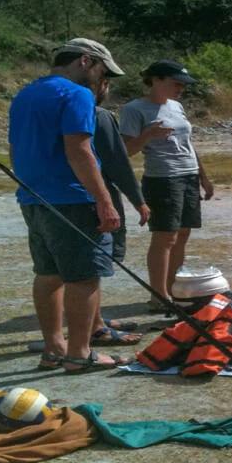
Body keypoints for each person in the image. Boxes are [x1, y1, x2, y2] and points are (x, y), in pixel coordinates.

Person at [9, 38, 130, 372]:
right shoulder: (77, 94)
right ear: (86, 61)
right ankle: (80, 353)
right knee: (84, 277)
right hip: (73, 198)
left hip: (33, 198)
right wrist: (104, 201)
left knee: (48, 275)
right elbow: (79, 149)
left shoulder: (25, 94)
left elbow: (17, 148)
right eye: (103, 70)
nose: (101, 78)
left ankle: (54, 348)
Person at [119, 60, 213, 311]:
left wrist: (203, 176)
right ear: (156, 80)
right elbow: (125, 151)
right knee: (165, 237)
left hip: (189, 175)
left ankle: (173, 290)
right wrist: (147, 135)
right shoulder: (134, 109)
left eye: (183, 84)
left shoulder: (177, 106)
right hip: (163, 178)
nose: (181, 88)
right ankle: (158, 296)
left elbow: (188, 143)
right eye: (176, 83)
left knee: (182, 234)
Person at [89, 77, 149, 344]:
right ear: (102, 84)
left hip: (48, 198)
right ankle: (95, 329)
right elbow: (117, 162)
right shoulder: (99, 116)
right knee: (90, 266)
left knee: (76, 267)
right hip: (95, 198)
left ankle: (95, 318)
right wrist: (138, 200)